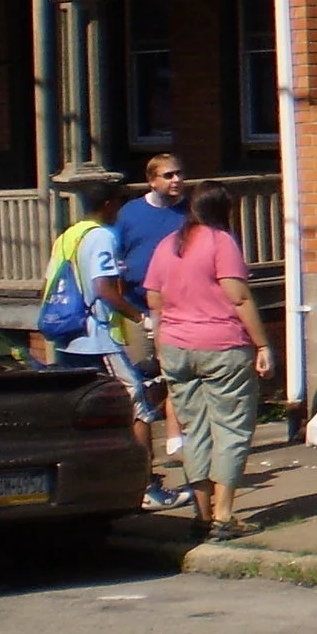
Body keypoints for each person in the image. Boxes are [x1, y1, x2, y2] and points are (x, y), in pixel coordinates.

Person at [45, 179, 187, 511]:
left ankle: (89, 484)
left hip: (68, 337)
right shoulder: (103, 236)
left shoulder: (69, 235)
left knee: (87, 412)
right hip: (96, 338)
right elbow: (104, 289)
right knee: (139, 405)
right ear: (109, 205)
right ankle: (144, 486)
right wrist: (141, 318)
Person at [145, 181, 275, 538]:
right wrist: (262, 345)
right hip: (221, 346)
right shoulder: (221, 242)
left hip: (174, 346)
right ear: (224, 211)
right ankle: (224, 514)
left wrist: (160, 346)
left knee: (195, 431)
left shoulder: (167, 244)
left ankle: (201, 514)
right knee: (231, 429)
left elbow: (154, 300)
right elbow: (238, 297)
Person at [115, 153, 188, 457]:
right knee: (138, 377)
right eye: (169, 175)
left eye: (179, 174)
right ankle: (141, 441)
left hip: (177, 307)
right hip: (136, 308)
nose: (176, 180)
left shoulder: (188, 212)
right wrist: (123, 308)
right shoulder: (130, 214)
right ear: (152, 180)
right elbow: (117, 262)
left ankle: (175, 435)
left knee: (176, 371)